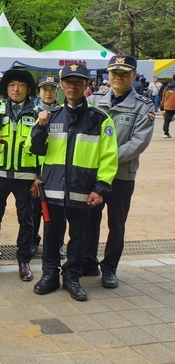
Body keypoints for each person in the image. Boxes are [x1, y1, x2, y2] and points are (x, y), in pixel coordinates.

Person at [30, 63, 118, 301]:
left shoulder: (100, 119)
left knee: (79, 237)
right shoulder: (51, 116)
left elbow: (109, 157)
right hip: (53, 190)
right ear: (62, 85)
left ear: (86, 85)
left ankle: (72, 277)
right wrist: (40, 126)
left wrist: (101, 188)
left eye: (79, 82)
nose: (73, 86)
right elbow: (35, 149)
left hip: (83, 191)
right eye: (69, 81)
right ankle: (49, 274)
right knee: (51, 235)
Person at [83, 55, 155, 288]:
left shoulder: (143, 106)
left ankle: (110, 268)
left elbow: (138, 143)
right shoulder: (93, 100)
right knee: (89, 221)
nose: (118, 77)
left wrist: (107, 160)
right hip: (93, 174)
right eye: (114, 72)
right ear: (108, 74)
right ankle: (88, 262)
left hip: (121, 175)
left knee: (117, 224)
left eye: (124, 73)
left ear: (134, 76)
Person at [0, 68, 38, 281]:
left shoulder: (37, 113)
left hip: (26, 175)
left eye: (21, 85)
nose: (16, 89)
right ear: (6, 88)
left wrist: (39, 175)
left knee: (27, 219)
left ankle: (24, 260)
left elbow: (44, 147)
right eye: (12, 85)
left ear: (28, 89)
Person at [31, 75, 62, 255]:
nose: (48, 93)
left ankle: (57, 245)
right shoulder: (31, 112)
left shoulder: (62, 112)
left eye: (52, 89)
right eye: (45, 89)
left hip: (56, 170)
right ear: (39, 91)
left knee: (58, 213)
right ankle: (33, 241)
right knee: (34, 211)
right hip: (35, 168)